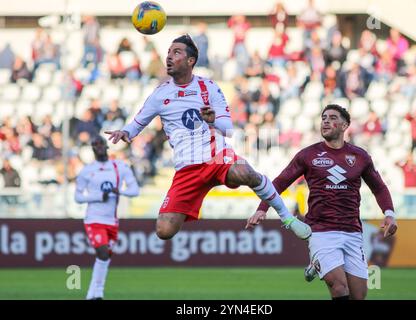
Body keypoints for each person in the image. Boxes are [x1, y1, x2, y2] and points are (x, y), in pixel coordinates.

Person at [105, 34, 311, 241]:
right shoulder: (160, 94)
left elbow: (228, 129)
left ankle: (287, 218)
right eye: (168, 52)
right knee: (164, 230)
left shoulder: (208, 87)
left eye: (176, 52)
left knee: (246, 172)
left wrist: (212, 120)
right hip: (187, 169)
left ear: (190, 61)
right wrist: (125, 132)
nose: (169, 57)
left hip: (216, 158)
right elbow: (138, 122)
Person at [246, 104, 398, 300]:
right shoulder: (308, 155)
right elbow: (279, 182)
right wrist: (262, 209)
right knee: (339, 287)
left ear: (345, 125)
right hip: (321, 232)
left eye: (332, 117)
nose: (326, 121)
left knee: (358, 295)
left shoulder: (360, 156)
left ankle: (316, 265)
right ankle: (319, 260)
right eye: (324, 117)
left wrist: (389, 214)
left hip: (352, 232)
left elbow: (379, 188)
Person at [75, 136, 139, 300]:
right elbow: (78, 197)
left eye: (101, 143)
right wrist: (97, 197)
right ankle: (93, 294)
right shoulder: (87, 171)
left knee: (105, 257)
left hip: (112, 220)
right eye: (95, 144)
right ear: (92, 149)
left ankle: (97, 293)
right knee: (103, 253)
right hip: (94, 219)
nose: (99, 147)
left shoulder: (119, 167)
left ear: (106, 146)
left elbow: (135, 190)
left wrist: (121, 192)